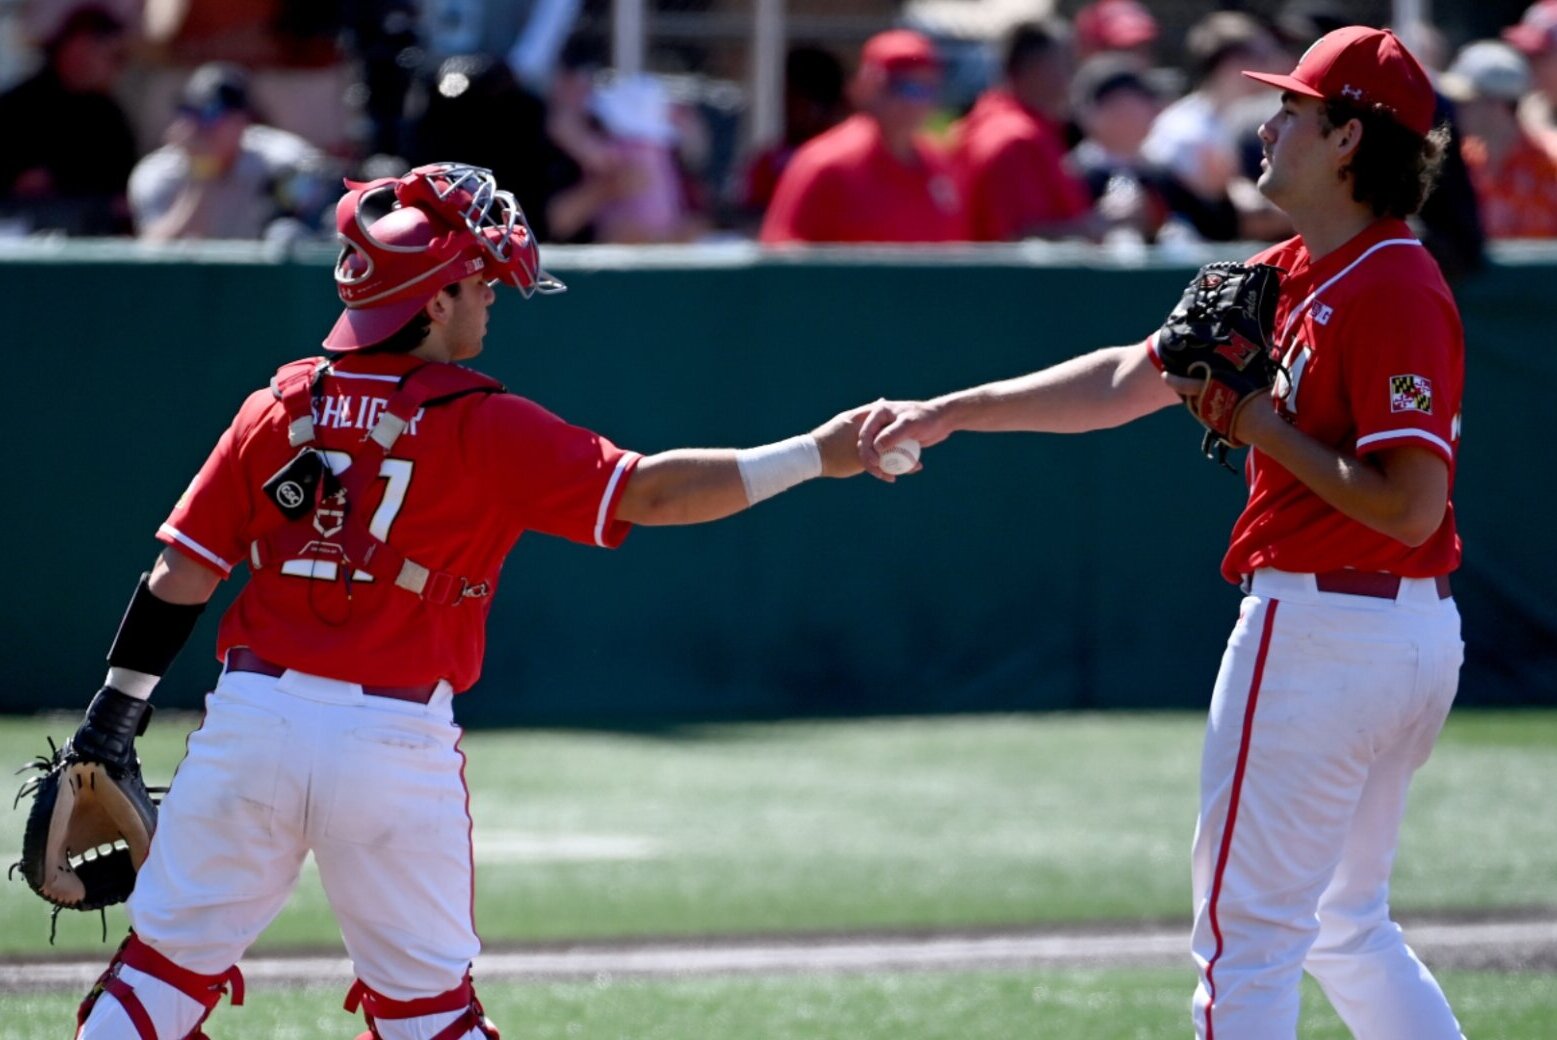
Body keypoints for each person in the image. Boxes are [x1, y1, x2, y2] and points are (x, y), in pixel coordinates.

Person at [67, 162, 867, 1040]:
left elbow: (181, 574)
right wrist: (817, 455)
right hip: (390, 744)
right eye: (477, 279)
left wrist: (113, 717)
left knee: (157, 980)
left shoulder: (278, 404)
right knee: (428, 1014)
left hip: (251, 723)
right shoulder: (486, 423)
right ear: (433, 301)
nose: (491, 294)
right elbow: (655, 494)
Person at [857, 26, 1466, 1040]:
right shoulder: (1298, 269)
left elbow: (1412, 502)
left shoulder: (1390, 281)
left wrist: (1260, 425)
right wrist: (951, 408)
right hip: (1390, 632)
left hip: (1325, 626)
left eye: (1296, 111)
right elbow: (1122, 378)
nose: (1269, 124)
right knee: (1343, 926)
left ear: (1350, 138)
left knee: (1247, 940)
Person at [760, 29, 966, 244]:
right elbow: (782, 252)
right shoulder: (826, 162)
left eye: (926, 88)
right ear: (867, 87)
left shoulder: (940, 166)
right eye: (901, 86)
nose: (914, 101)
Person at [127, 62, 335, 241]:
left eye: (211, 115)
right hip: (186, 284)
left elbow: (320, 217)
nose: (198, 126)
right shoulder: (157, 174)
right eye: (190, 112)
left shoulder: (283, 159)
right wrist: (201, 173)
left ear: (242, 122)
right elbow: (158, 255)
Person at [949, 19, 1098, 242]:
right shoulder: (1014, 139)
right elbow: (1018, 240)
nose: (1071, 77)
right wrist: (1096, 227)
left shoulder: (1013, 125)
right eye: (1065, 63)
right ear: (1035, 69)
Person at [1142, 11, 1285, 241]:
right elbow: (1241, 215)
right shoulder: (1184, 129)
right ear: (1232, 65)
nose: (1276, 64)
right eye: (1262, 57)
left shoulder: (1258, 118)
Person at [0, 4, 137, 235]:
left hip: (90, 232)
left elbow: (123, 184)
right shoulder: (18, 104)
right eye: (109, 56)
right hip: (19, 227)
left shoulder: (108, 115)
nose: (113, 67)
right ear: (75, 48)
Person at [1442, 39, 1557, 238]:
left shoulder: (1551, 165)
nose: (1456, 110)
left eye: (1466, 101)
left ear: (1498, 106)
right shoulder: (1461, 162)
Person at [1504, 0, 1557, 155]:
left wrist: (1539, 134)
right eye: (1526, 55)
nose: (1528, 66)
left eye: (1539, 56)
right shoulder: (1531, 106)